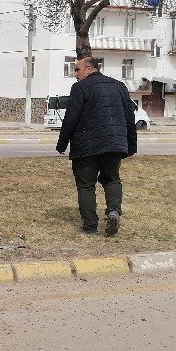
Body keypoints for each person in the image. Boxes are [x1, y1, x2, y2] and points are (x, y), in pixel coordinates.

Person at [56, 56, 137, 236]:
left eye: (77, 69)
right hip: (114, 144)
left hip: (86, 146)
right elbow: (129, 117)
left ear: (89, 68)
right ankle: (113, 211)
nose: (75, 74)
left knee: (85, 185)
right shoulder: (119, 86)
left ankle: (90, 226)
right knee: (112, 179)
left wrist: (62, 144)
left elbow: (71, 118)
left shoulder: (79, 88)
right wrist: (131, 146)